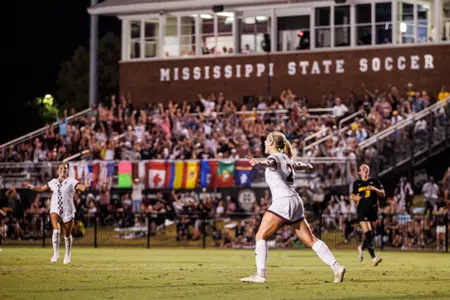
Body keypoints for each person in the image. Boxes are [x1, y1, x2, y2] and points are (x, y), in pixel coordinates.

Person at [240, 131, 346, 284]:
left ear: (271, 143)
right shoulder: (286, 158)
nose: (264, 143)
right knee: (311, 240)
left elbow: (271, 163)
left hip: (283, 201)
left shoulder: (274, 157)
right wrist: (307, 165)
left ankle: (260, 275)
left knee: (260, 236)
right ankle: (337, 267)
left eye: (266, 141)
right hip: (296, 201)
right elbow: (298, 164)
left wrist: (259, 162)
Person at [22, 162, 90, 264]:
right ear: (58, 170)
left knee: (67, 234)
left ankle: (67, 254)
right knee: (56, 229)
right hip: (55, 208)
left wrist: (87, 186)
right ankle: (55, 253)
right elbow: (41, 188)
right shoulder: (53, 182)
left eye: (65, 168)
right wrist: (30, 187)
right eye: (61, 168)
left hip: (68, 210)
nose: (63, 170)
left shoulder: (71, 181)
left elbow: (82, 188)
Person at [350, 164, 384, 266]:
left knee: (371, 235)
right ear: (359, 172)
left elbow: (383, 193)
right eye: (363, 169)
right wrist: (355, 198)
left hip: (373, 211)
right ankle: (374, 259)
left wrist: (374, 189)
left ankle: (361, 247)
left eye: (367, 169)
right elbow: (352, 195)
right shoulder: (357, 183)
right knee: (368, 233)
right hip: (362, 211)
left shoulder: (375, 182)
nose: (365, 170)